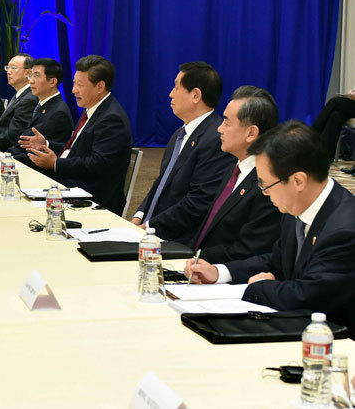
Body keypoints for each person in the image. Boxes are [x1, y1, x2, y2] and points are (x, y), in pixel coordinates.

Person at [186, 122, 355, 331]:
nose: (264, 193)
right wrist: (219, 273)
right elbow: (276, 261)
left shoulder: (344, 230)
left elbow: (307, 296)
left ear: (298, 181)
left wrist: (260, 288)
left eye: (265, 184)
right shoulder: (298, 206)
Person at [131, 62, 235, 246]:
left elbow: (198, 202)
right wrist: (138, 216)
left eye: (177, 87)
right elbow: (162, 184)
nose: (171, 93)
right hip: (150, 231)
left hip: (176, 241)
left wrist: (149, 226)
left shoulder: (216, 139)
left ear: (195, 95)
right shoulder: (179, 135)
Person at [22, 55, 132, 215]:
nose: (74, 90)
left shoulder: (111, 118)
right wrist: (47, 144)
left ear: (100, 86)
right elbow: (77, 150)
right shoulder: (92, 109)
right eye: (74, 83)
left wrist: (55, 164)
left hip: (90, 196)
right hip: (70, 184)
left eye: (79, 85)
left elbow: (98, 164)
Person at [186, 86, 283, 263]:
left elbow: (247, 250)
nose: (219, 129)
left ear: (251, 133)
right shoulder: (234, 168)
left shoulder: (268, 186)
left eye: (227, 123)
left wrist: (194, 259)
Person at [10, 58, 73, 161]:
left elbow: (42, 153)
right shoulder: (41, 105)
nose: (31, 81)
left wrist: (8, 158)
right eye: (31, 75)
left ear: (52, 82)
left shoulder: (59, 113)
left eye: (36, 76)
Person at [0, 53, 36, 152]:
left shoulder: (29, 99)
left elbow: (14, 135)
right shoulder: (20, 94)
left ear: (28, 73)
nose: (8, 72)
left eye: (13, 68)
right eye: (8, 67)